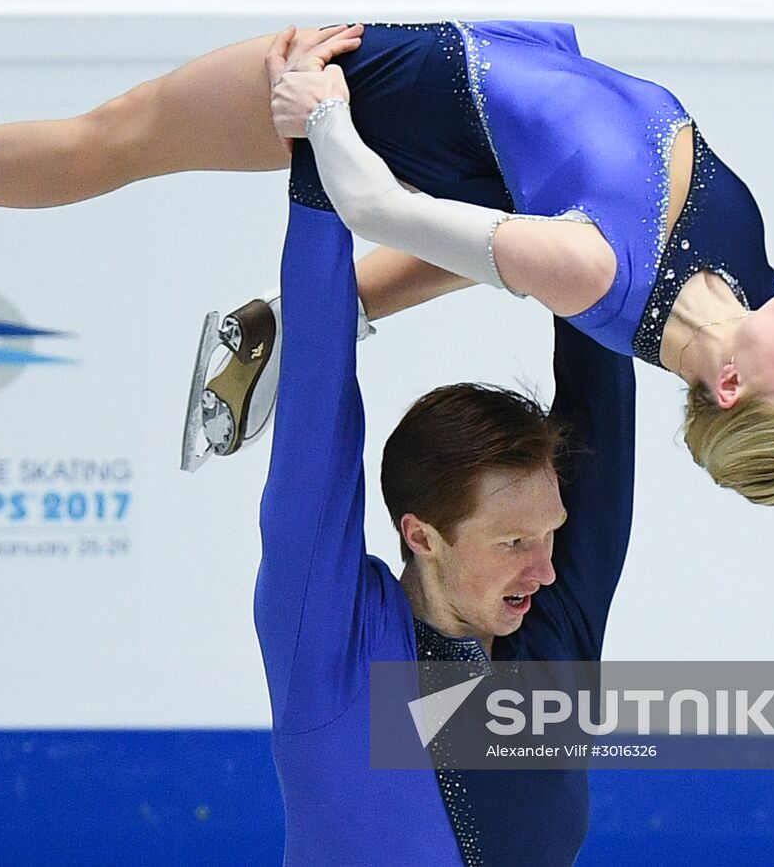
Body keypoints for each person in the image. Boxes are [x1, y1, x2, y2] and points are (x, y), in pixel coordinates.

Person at [0, 21, 774, 503]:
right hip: (495, 63)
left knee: (124, 134)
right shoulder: (745, 282)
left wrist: (321, 114)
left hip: (393, 89)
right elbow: (504, 221)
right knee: (484, 225)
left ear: (725, 387)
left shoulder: (595, 278)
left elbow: (382, 204)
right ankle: (303, 324)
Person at [259, 183, 635, 864]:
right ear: (421, 535)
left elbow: (599, 381)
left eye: (551, 534)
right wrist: (317, 167)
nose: (548, 568)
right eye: (514, 542)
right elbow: (316, 408)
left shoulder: (551, 640)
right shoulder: (332, 641)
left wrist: (569, 159)